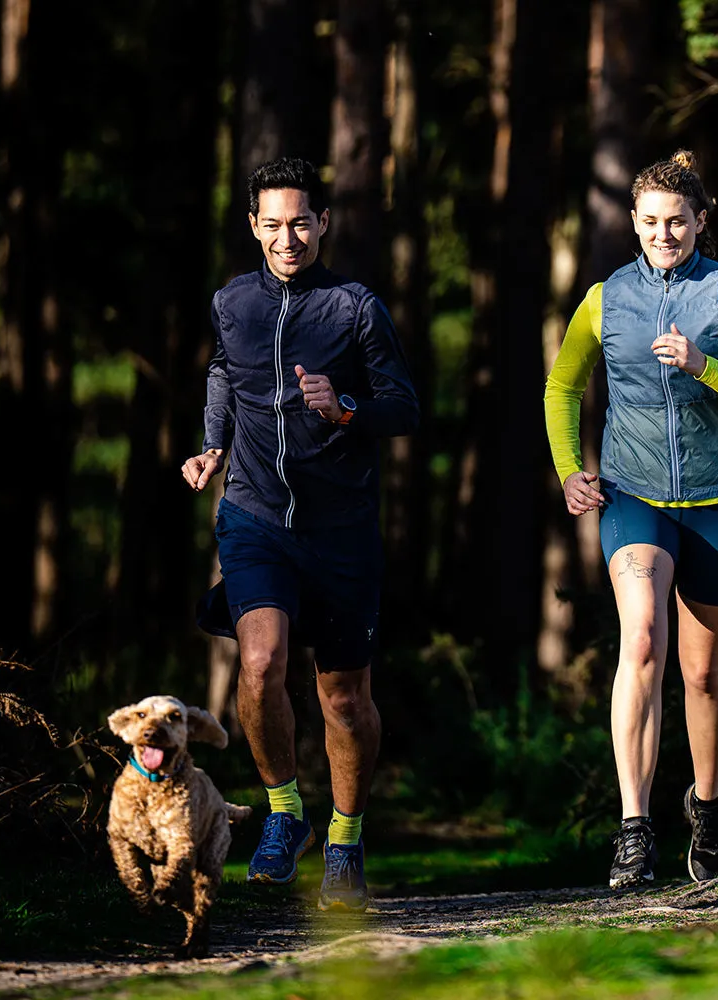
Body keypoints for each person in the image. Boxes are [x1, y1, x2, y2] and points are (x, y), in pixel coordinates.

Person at [544, 150, 718, 889]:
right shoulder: (604, 298)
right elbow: (564, 386)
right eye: (650, 222)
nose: (663, 234)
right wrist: (569, 470)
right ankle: (634, 828)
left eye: (677, 222)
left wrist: (701, 366)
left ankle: (708, 810)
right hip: (635, 497)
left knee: (703, 672)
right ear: (633, 222)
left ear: (701, 222)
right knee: (645, 641)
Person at [182, 157, 419, 911]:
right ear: (254, 225)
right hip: (253, 516)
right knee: (260, 664)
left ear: (323, 223)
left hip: (340, 530)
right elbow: (225, 372)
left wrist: (344, 406)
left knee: (344, 698)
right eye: (273, 224)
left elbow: (403, 408)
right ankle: (286, 816)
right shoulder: (233, 302)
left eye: (302, 222)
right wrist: (213, 441)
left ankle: (346, 839)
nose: (289, 238)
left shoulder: (354, 309)